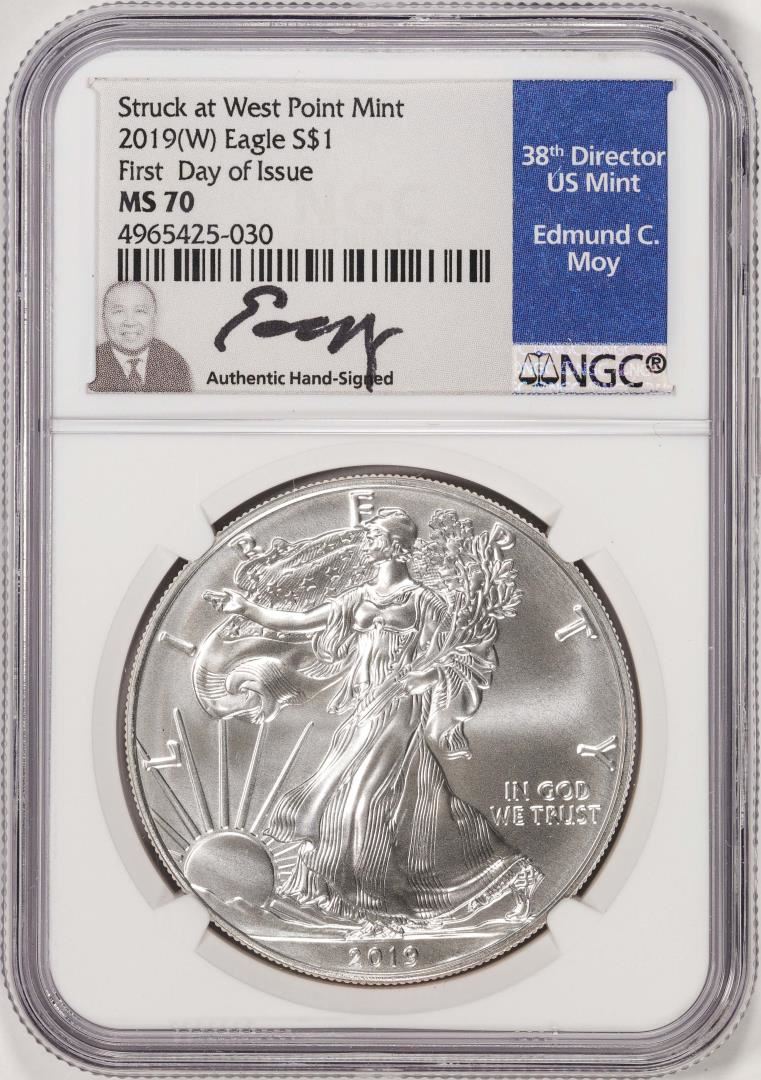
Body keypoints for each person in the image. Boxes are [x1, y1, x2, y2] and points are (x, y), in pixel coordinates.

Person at [205, 508, 541, 932]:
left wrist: (426, 676)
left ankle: (373, 905)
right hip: (364, 706)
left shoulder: (423, 601)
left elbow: (463, 654)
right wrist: (247, 609)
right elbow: (301, 623)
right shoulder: (357, 598)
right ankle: (501, 873)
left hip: (398, 708)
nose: (366, 544)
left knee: (361, 799)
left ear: (396, 546)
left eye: (373, 537)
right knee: (394, 799)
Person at [89, 281, 193, 392]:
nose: (130, 322)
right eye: (119, 311)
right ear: (103, 318)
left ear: (154, 318)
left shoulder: (174, 363)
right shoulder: (90, 364)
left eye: (140, 311)